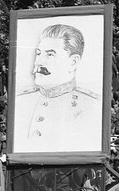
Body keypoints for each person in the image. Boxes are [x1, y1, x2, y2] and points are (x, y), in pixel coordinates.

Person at [13, 24, 102, 153]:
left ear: (73, 62)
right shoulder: (21, 100)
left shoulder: (91, 104)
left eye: (50, 54)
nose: (39, 62)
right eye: (38, 53)